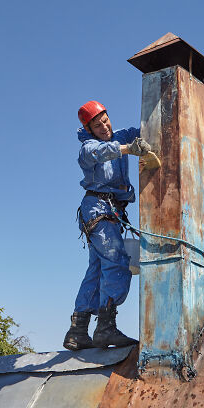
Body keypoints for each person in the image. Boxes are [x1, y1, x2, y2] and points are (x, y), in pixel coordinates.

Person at [63, 100, 151, 351]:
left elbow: (145, 128)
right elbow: (98, 153)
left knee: (97, 269)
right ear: (89, 130)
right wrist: (127, 149)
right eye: (97, 125)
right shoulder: (89, 147)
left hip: (109, 212)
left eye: (105, 120)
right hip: (99, 211)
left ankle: (78, 331)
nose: (104, 126)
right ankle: (105, 328)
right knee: (116, 262)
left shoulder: (121, 135)